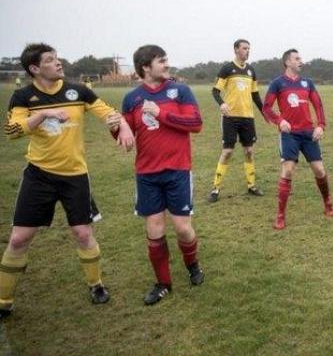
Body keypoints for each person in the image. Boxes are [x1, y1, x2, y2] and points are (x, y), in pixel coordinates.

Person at [1, 43, 134, 319]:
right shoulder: (23, 96)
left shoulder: (78, 91)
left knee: (83, 234)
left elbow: (106, 111)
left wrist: (120, 124)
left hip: (75, 175)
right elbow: (12, 131)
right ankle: (4, 300)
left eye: (57, 58)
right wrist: (43, 114)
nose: (58, 63)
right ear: (35, 69)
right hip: (39, 175)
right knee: (18, 239)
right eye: (50, 60)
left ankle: (96, 285)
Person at [120, 45, 204, 305]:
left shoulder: (180, 91)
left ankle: (193, 264)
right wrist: (117, 129)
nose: (167, 65)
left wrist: (161, 113)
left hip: (177, 169)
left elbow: (196, 124)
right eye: (162, 61)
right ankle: (163, 283)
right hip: (147, 173)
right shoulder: (132, 98)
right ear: (146, 67)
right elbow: (128, 136)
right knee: (154, 229)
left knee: (182, 228)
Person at [263, 49, 333, 230]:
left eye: (300, 58)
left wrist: (320, 125)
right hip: (289, 135)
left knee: (319, 170)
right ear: (287, 62)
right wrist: (280, 121)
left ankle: (328, 203)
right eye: (297, 59)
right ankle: (280, 215)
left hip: (308, 133)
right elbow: (266, 108)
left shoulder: (307, 83)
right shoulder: (277, 84)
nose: (300, 61)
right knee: (287, 171)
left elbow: (318, 105)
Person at [208, 39, 266, 203]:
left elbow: (255, 95)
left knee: (249, 151)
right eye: (244, 48)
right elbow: (215, 91)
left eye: (249, 48)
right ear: (236, 50)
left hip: (248, 117)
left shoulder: (251, 71)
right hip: (230, 117)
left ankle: (252, 185)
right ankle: (215, 189)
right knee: (227, 152)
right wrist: (222, 104)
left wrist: (265, 112)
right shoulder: (227, 68)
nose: (247, 51)